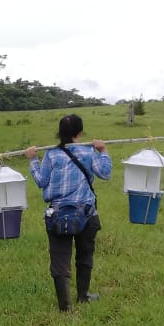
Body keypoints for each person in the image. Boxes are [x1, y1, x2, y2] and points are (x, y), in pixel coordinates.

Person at [25, 114, 112, 311]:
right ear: (80, 132)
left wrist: (32, 160)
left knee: (59, 257)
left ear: (60, 132)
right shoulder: (89, 152)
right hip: (87, 213)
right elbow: (105, 173)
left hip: (57, 215)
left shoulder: (50, 154)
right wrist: (103, 150)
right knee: (85, 254)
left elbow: (41, 181)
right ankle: (83, 296)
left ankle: (64, 306)